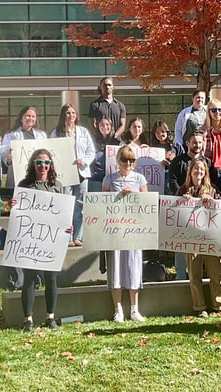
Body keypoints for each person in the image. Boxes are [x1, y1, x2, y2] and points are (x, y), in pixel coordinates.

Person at [14, 149, 73, 331]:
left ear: (51, 165)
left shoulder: (57, 185)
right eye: (39, 162)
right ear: (33, 164)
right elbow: (18, 212)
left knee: (51, 278)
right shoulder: (24, 185)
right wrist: (15, 207)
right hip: (31, 238)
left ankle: (50, 317)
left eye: (46, 163)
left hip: (52, 238)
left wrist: (67, 227)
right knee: (30, 278)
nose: (43, 166)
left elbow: (63, 212)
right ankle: (28, 319)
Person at [178, 158, 221, 316]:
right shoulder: (183, 190)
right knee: (194, 274)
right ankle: (199, 307)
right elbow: (173, 211)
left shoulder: (212, 189)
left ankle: (219, 304)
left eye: (202, 169)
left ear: (205, 172)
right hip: (191, 239)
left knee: (216, 271)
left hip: (210, 238)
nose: (198, 172)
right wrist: (182, 202)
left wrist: (212, 201)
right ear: (190, 170)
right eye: (196, 169)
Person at [104, 145, 148, 322]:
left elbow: (147, 203)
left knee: (133, 267)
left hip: (134, 230)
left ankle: (134, 309)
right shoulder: (109, 179)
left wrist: (135, 194)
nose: (128, 164)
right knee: (115, 268)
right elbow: (102, 204)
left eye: (131, 160)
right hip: (115, 230)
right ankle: (118, 309)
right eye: (124, 160)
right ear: (118, 161)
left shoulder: (140, 178)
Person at [50, 104, 97, 247]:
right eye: (68, 113)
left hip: (81, 173)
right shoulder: (56, 132)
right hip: (65, 174)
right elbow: (50, 151)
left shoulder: (82, 132)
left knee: (81, 206)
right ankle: (67, 236)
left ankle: (78, 236)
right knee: (66, 205)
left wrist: (84, 161)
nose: (71, 116)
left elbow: (91, 151)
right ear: (63, 115)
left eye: (73, 113)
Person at [0, 106, 47, 186]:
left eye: (33, 116)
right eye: (28, 116)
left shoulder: (41, 135)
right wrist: (8, 159)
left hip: (36, 171)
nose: (30, 118)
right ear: (21, 119)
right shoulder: (10, 135)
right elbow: (3, 153)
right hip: (17, 173)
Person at [88, 76, 127, 141]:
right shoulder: (94, 105)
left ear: (113, 87)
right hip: (99, 142)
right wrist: (102, 137)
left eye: (109, 85)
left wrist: (115, 136)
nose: (107, 87)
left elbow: (122, 125)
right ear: (100, 87)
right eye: (105, 85)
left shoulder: (120, 106)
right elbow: (93, 125)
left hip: (116, 142)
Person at [89, 116, 119, 194]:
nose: (105, 127)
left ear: (111, 126)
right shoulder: (92, 141)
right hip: (96, 179)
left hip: (113, 180)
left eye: (107, 124)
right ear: (98, 126)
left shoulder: (118, 142)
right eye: (102, 125)